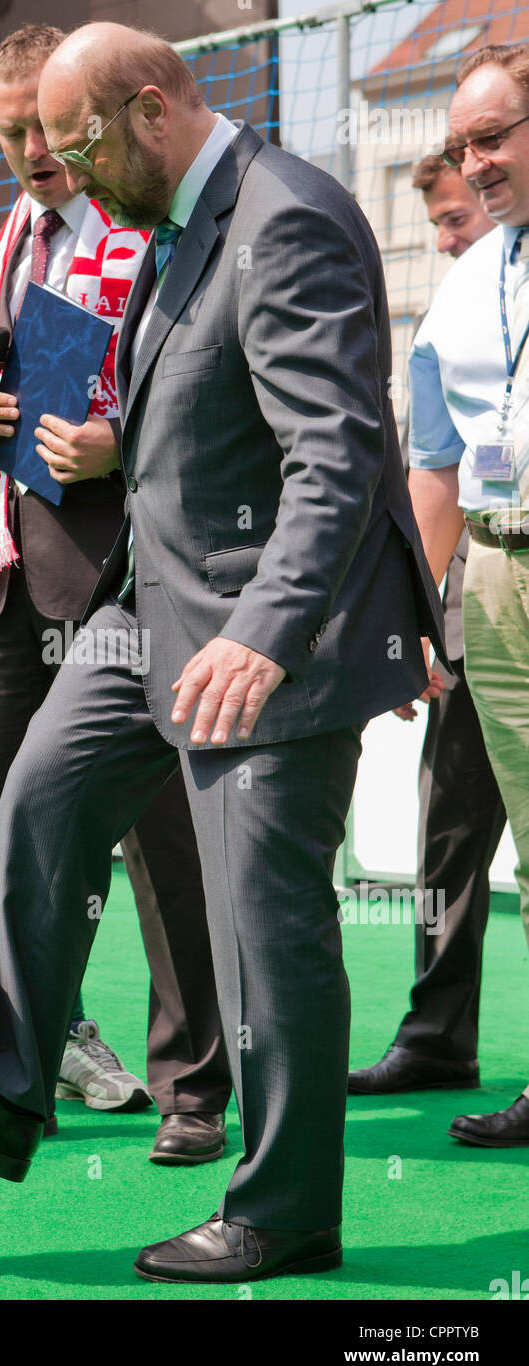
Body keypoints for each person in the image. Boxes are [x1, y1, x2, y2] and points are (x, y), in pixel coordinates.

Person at [0, 21, 446, 1286]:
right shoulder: (184, 226)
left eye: (73, 139)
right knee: (39, 799)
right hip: (149, 611)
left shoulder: (283, 214)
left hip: (253, 641)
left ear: (146, 108)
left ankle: (284, 1210)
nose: (60, 165)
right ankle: (8, 1095)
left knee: (261, 923)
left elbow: (337, 450)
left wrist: (269, 632)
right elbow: (185, 423)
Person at [0, 24, 232, 1157]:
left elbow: (192, 387)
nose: (28, 149)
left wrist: (116, 442)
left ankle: (194, 1089)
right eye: (8, 129)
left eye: (45, 128)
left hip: (120, 576)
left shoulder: (154, 222)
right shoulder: (7, 235)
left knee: (162, 846)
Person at [349, 154, 505, 1097]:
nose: (446, 239)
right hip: (473, 598)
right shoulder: (452, 314)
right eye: (443, 220)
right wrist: (420, 616)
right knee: (452, 829)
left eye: (456, 219)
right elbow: (434, 478)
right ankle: (439, 1036)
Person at [400, 40, 529, 1148]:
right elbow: (434, 462)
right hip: (490, 573)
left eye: (491, 139)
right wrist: (409, 609)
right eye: (462, 145)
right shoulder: (470, 279)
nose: (472, 166)